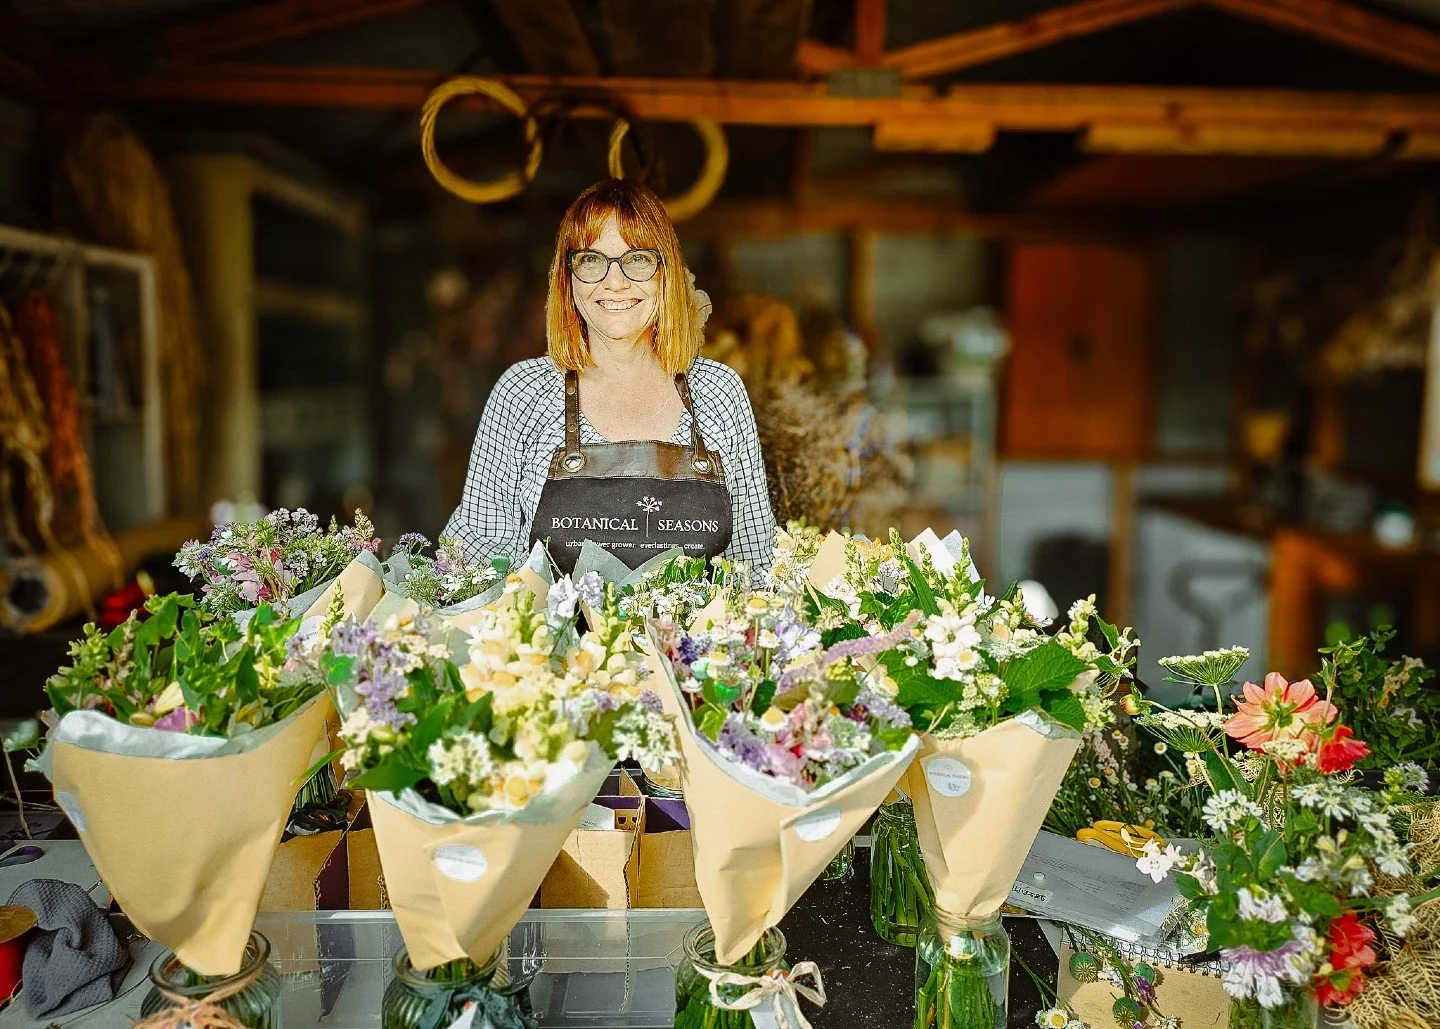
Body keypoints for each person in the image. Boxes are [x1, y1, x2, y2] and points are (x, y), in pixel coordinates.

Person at [443, 178, 775, 576]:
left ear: (666, 273)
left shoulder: (718, 391)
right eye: (591, 260)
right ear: (567, 277)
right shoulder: (523, 393)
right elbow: (475, 557)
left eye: (638, 259)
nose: (614, 282)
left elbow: (755, 561)